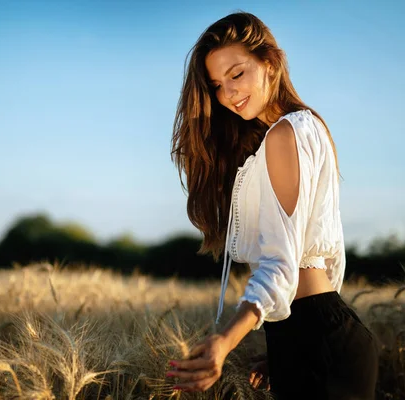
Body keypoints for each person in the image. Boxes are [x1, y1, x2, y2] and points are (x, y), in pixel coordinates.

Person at [165, 12, 379, 399]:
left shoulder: (285, 134)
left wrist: (225, 342)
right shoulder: (305, 127)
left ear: (270, 62)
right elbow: (329, 257)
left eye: (236, 74)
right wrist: (289, 345)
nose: (227, 93)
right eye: (216, 85)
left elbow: (280, 262)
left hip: (318, 338)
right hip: (317, 334)